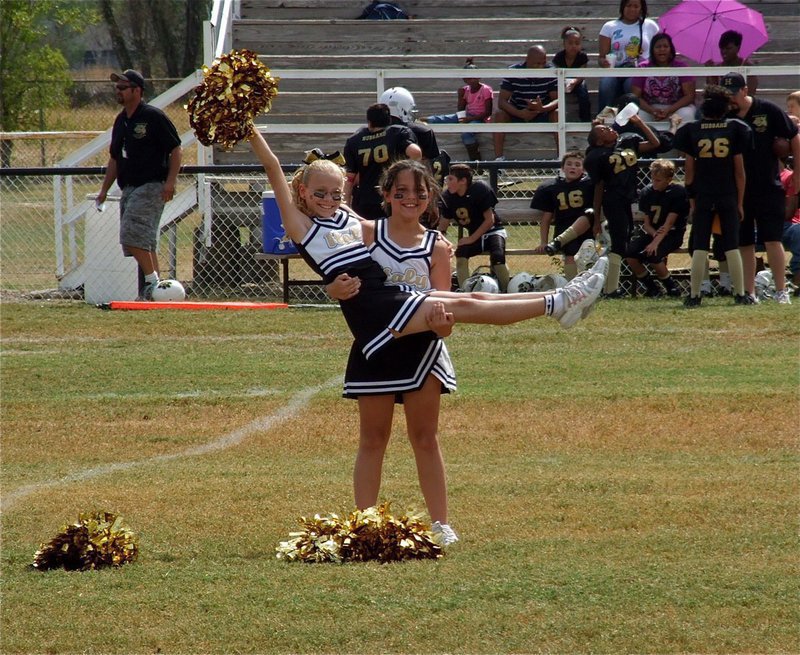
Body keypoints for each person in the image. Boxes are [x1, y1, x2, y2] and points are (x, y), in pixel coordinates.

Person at [96, 69, 182, 300]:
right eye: (117, 87)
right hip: (130, 187)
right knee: (143, 240)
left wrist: (170, 182)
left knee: (131, 235)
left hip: (152, 185)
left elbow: (175, 149)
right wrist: (104, 190)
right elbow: (115, 157)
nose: (118, 91)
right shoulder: (121, 120)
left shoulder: (153, 116)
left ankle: (152, 283)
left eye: (123, 87)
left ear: (137, 90)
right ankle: (158, 291)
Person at [724, 72, 800, 305]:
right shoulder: (725, 113)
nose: (731, 99)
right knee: (744, 241)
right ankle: (750, 292)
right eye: (727, 94)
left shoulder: (767, 109)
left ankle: (781, 289)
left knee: (772, 239)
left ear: (745, 90)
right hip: (738, 187)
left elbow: (794, 135)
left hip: (768, 183)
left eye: (734, 93)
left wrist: (797, 171)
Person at [673, 84, 752, 307]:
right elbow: (739, 171)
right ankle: (739, 293)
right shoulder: (736, 128)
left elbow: (689, 172)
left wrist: (692, 200)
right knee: (731, 243)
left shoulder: (692, 130)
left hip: (703, 194)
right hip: (727, 192)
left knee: (699, 244)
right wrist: (740, 201)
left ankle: (695, 294)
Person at [584, 112, 661, 297]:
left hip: (627, 199)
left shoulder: (626, 142)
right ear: (600, 142)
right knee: (619, 244)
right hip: (613, 199)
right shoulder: (597, 155)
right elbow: (598, 186)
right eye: (603, 130)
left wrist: (640, 123)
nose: (609, 128)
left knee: (624, 242)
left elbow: (655, 144)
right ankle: (611, 289)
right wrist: (596, 218)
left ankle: (635, 286)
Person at [438, 163, 510, 291]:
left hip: (493, 231)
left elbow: (489, 220)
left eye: (450, 179)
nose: (447, 182)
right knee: (461, 254)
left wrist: (471, 239)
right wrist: (439, 239)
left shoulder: (479, 189)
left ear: (463, 181)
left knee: (498, 258)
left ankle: (507, 292)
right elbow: (444, 222)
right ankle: (465, 292)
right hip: (475, 234)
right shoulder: (448, 197)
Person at [343, 103, 421, 220]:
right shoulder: (398, 133)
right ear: (389, 119)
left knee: (368, 235)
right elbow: (415, 153)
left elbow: (349, 179)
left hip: (365, 199)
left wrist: (345, 206)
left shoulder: (354, 140)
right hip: (393, 197)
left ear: (369, 122)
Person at [624, 159, 687, 297]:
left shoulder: (677, 192)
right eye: (653, 179)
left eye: (658, 180)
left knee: (653, 254)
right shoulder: (647, 192)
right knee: (630, 253)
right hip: (653, 233)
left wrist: (655, 243)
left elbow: (669, 223)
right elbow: (647, 224)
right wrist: (653, 236)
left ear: (669, 179)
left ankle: (672, 288)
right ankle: (652, 287)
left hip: (672, 234)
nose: (654, 183)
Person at [530, 151, 595, 280]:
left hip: (588, 228)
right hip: (563, 228)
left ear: (584, 169)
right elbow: (546, 218)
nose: (573, 167)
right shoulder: (552, 187)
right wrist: (543, 241)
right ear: (562, 168)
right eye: (569, 164)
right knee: (570, 253)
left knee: (589, 214)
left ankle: (591, 284)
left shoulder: (590, 184)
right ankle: (572, 285)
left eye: (577, 164)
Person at [492, 45, 558, 161]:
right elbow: (501, 102)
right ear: (527, 60)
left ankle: (560, 158)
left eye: (543, 63)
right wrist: (520, 113)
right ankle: (499, 160)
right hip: (517, 112)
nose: (540, 67)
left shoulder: (551, 72)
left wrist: (542, 108)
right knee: (499, 114)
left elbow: (558, 100)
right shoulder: (513, 71)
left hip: (542, 113)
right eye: (537, 64)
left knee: (557, 113)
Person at [424, 59, 494, 161]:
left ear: (479, 76)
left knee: (466, 133)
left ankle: (476, 162)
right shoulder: (465, 90)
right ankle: (424, 121)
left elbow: (488, 112)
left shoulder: (486, 89)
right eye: (469, 78)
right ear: (465, 79)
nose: (472, 80)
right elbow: (460, 110)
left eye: (474, 77)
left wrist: (469, 119)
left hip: (480, 118)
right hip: (468, 115)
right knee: (444, 119)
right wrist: (460, 97)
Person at [597, 0, 660, 113]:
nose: (632, 9)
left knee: (631, 87)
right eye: (628, 5)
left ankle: (632, 121)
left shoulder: (650, 25)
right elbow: (601, 57)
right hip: (614, 70)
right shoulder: (609, 27)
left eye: (636, 6)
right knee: (606, 85)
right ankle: (603, 119)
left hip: (637, 70)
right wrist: (604, 62)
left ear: (641, 8)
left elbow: (659, 47)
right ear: (623, 7)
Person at [379, 86, 450, 187]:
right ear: (402, 108)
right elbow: (431, 168)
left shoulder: (372, 132)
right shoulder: (422, 131)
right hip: (413, 186)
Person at [631, 32, 697, 126]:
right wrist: (652, 111)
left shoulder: (681, 67)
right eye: (658, 47)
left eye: (665, 46)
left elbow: (689, 96)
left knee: (687, 114)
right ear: (652, 50)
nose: (662, 49)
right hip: (650, 108)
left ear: (671, 49)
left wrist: (669, 110)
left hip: (677, 107)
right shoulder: (643, 67)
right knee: (638, 115)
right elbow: (635, 96)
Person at [553, 26, 592, 122]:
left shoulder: (582, 56)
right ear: (564, 44)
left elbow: (582, 73)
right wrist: (564, 82)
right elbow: (556, 72)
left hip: (577, 80)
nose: (573, 46)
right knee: (554, 91)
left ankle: (585, 119)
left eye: (577, 43)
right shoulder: (559, 57)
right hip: (562, 80)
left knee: (583, 93)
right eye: (570, 43)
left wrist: (574, 82)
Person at [705, 30, 758, 97]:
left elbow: (751, 94)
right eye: (722, 48)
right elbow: (711, 95)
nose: (724, 51)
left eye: (728, 48)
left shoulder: (747, 66)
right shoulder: (717, 68)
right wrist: (711, 73)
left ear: (738, 48)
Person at [779, 157, 800, 294]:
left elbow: (788, 213)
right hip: (755, 226)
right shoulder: (751, 175)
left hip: (786, 226)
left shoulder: (789, 177)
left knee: (799, 231)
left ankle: (798, 280)